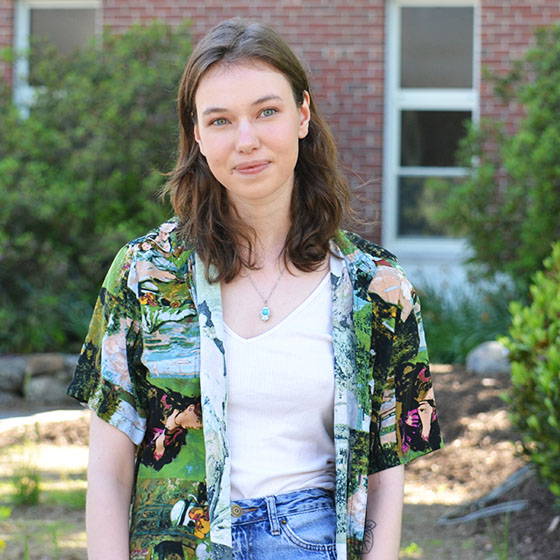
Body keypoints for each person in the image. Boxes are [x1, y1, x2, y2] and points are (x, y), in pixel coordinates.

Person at [67, 17, 442, 560]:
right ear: (197, 134)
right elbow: (106, 470)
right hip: (180, 544)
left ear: (303, 116)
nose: (247, 141)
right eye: (220, 120)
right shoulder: (144, 275)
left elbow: (386, 476)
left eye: (267, 111)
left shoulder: (377, 287)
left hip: (314, 543)